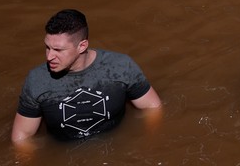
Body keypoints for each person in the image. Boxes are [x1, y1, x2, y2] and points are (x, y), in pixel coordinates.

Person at [11, 9, 162, 145]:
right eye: (47, 47)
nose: (49, 56)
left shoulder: (120, 67)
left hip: (115, 146)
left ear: (82, 46)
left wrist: (148, 144)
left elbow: (152, 107)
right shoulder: (37, 80)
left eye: (58, 49)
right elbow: (22, 137)